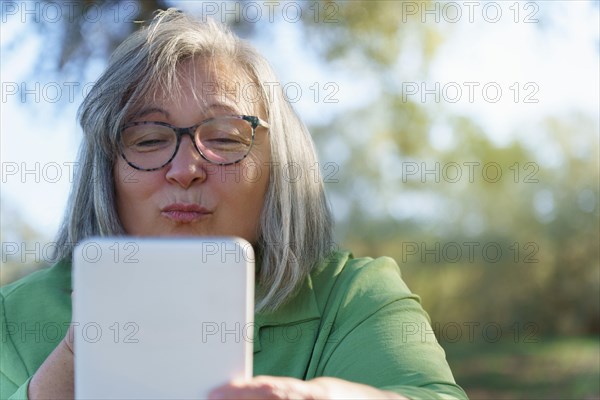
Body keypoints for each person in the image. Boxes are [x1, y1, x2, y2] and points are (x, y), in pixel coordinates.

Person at [0, 9, 468, 400]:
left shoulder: (350, 297)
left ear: (278, 164)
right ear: (105, 169)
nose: (185, 169)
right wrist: (73, 362)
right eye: (147, 139)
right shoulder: (17, 315)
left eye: (224, 138)